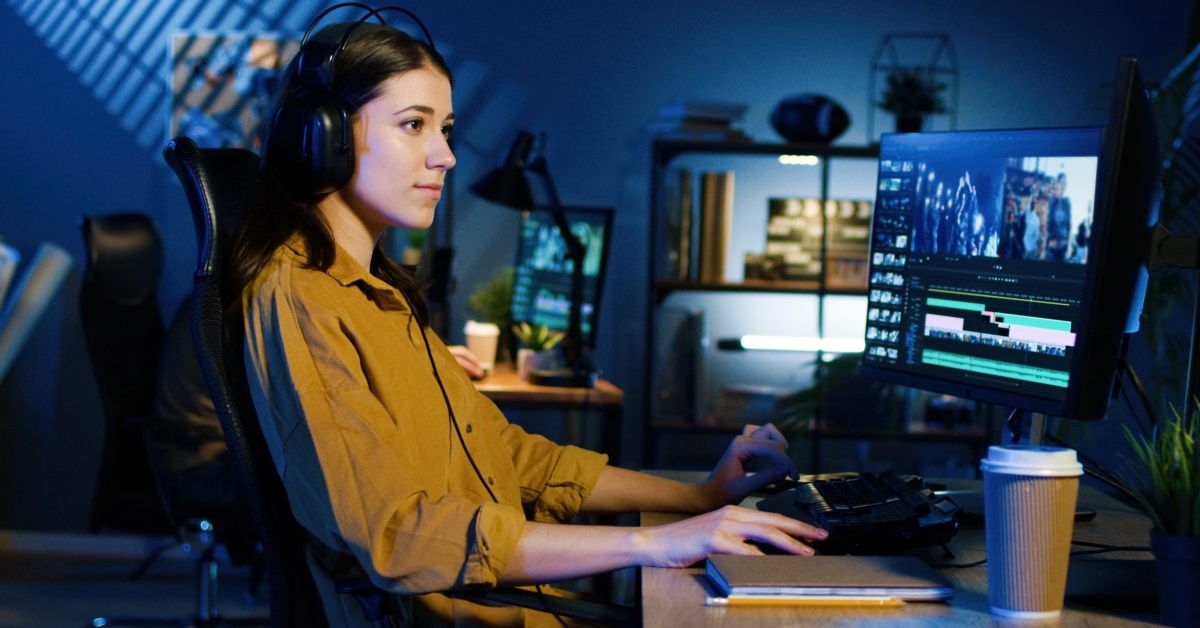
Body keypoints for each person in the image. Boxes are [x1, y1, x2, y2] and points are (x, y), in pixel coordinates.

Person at [229, 19, 824, 626]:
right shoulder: (300, 300)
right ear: (322, 139)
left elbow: (507, 457)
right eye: (414, 124)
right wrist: (652, 543)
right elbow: (398, 535)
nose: (446, 155)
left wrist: (698, 497)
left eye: (447, 129)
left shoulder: (380, 294)